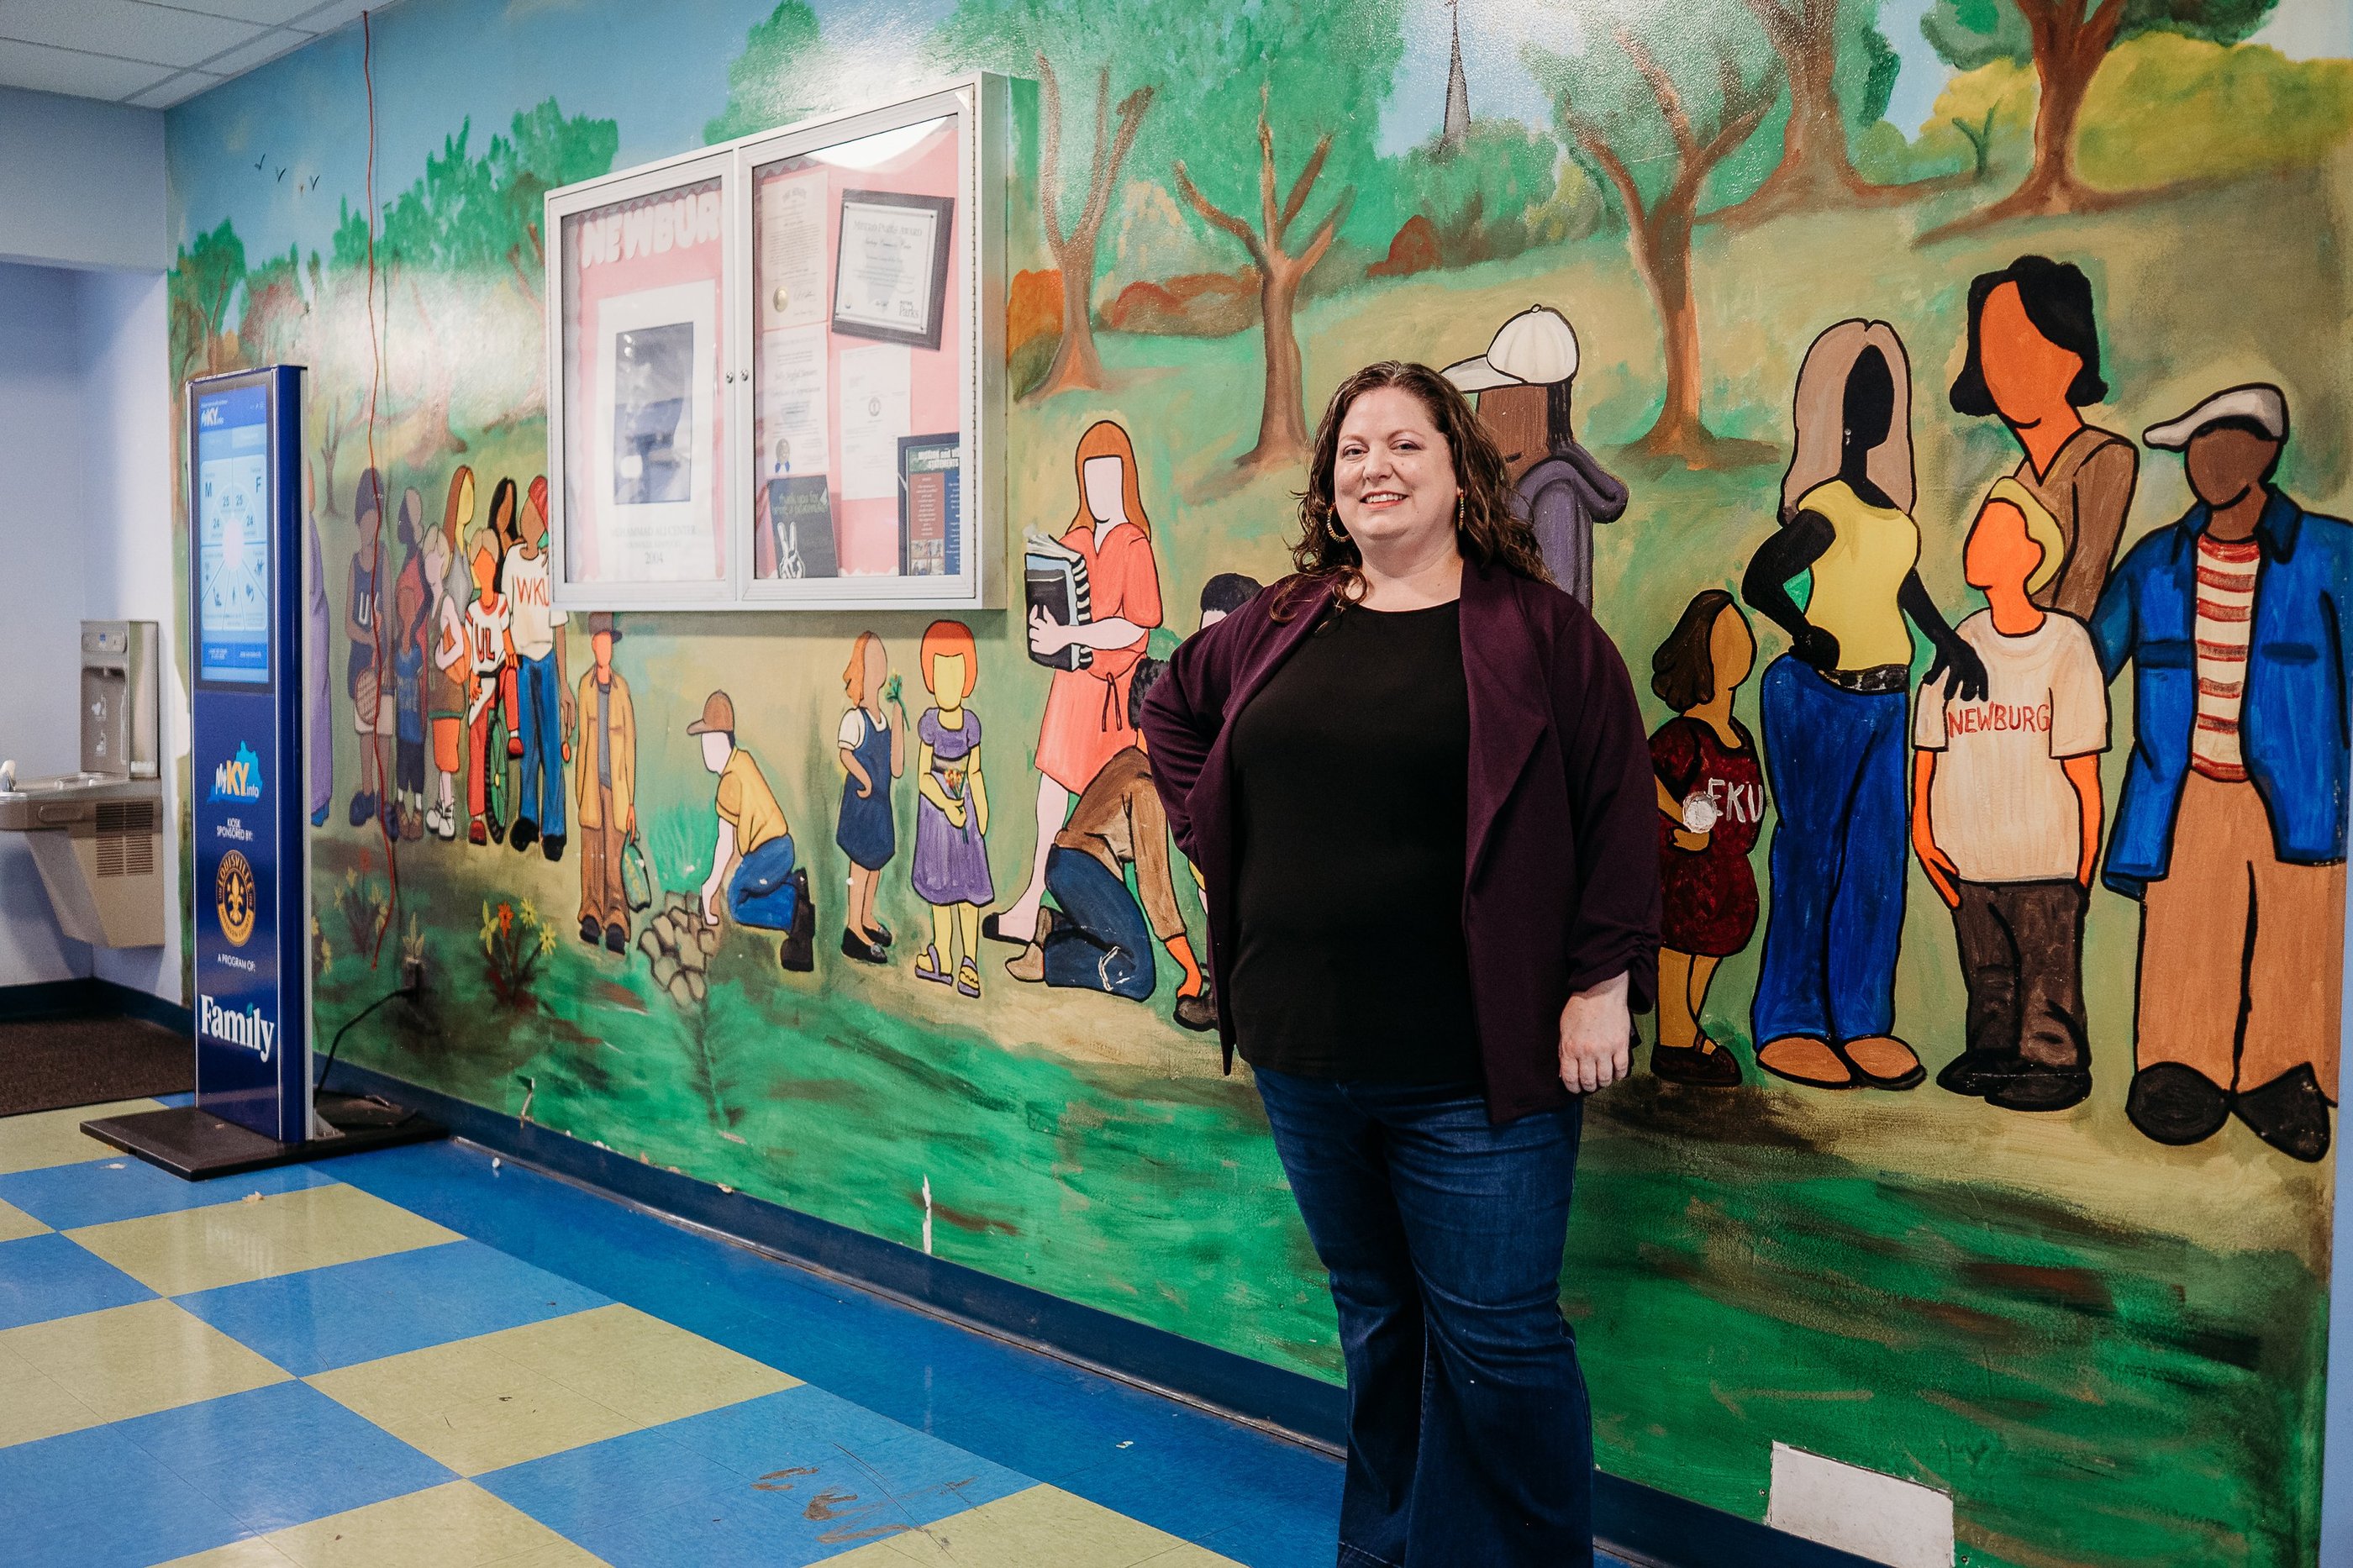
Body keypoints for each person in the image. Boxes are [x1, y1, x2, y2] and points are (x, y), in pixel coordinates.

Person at [1140, 360, 1657, 1568]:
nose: (1375, 467)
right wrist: (1213, 828)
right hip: (1307, 1056)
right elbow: (1171, 708)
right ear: (1331, 482)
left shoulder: (1539, 633)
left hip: (1478, 1066)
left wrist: (1600, 982)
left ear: (1460, 469)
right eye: (1354, 449)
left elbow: (1618, 807)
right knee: (1379, 1324)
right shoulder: (1282, 618)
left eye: (1405, 445)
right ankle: (1385, 1552)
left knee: (1501, 1342)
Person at [2089, 383, 2353, 1162]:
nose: (2211, 461)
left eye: (2231, 442)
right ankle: (2182, 1068)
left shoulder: (2332, 555)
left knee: (2296, 933)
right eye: (2199, 445)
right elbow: (2087, 662)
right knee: (2185, 930)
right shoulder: (2156, 563)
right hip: (2187, 783)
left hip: (2301, 790)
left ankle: (2281, 1075)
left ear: (2268, 452)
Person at [1741, 320, 1987, 1093]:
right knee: (1812, 856)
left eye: (1883, 397)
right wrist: (1804, 631)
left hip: (1886, 700)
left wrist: (1949, 643)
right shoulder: (1827, 507)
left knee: (1878, 860)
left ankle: (1861, 1020)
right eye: (1860, 395)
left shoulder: (1893, 514)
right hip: (1817, 697)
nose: (1872, 414)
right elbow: (1760, 580)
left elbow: (1904, 588)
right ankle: (1789, 1021)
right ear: (1829, 409)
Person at [1912, 485, 2108, 1113]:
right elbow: (1928, 743)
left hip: (2045, 861)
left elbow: (2084, 770)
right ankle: (1993, 1053)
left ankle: (2054, 1064)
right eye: (1976, 533)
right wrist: (1922, 831)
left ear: (2031, 555)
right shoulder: (1958, 643)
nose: (1976, 545)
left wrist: (2082, 868)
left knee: (2047, 977)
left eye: (1994, 535)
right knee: (1988, 974)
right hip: (1970, 859)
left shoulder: (2066, 646)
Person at [992, 420, 1165, 946]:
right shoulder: (1073, 541)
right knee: (1050, 796)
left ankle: (1120, 922)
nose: (1100, 489)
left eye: (1110, 477)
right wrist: (1046, 632)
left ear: (1126, 481)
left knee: (1112, 811)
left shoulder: (1134, 545)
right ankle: (1029, 904)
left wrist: (1072, 629)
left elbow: (1136, 623)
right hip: (1073, 686)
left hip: (1115, 695)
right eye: (1091, 478)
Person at [1005, 657, 1211, 1030]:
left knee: (1124, 948)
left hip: (1069, 866)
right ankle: (1049, 961)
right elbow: (1155, 887)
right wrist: (1189, 970)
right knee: (1138, 975)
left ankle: (1051, 925)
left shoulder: (1128, 760)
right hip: (1082, 871)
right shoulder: (1147, 785)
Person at [1949, 255, 2137, 620]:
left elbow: (2080, 597)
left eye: (2028, 344)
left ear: (2073, 355)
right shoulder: (2017, 481)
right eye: (1996, 347)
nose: (2009, 368)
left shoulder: (2105, 458)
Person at [1645, 591, 1762, 1087]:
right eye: (1722, 636)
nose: (1739, 643)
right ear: (1700, 652)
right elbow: (1640, 778)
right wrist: (1681, 825)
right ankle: (1674, 1038)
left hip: (1728, 880)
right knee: (1679, 950)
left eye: (1740, 632)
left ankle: (1685, 1034)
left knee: (1710, 952)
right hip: (1687, 879)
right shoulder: (1682, 737)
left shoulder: (1740, 735)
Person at [1443, 303, 1629, 606]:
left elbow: (1555, 600)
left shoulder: (1555, 494)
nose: (1483, 418)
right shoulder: (1508, 483)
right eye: (1483, 401)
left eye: (1497, 401)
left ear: (1535, 408)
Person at [691, 691, 815, 973]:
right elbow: (739, 840)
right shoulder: (742, 761)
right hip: (781, 849)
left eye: (708, 741)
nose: (704, 750)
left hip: (769, 853)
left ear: (721, 740)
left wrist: (710, 885)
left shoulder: (730, 781)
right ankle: (795, 885)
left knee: (737, 903)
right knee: (740, 884)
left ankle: (794, 910)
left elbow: (726, 842)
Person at [912, 619, 993, 998]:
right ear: (929, 677)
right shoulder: (929, 724)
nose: (948, 684)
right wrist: (946, 804)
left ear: (969, 678)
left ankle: (969, 964)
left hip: (966, 820)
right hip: (936, 817)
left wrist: (982, 805)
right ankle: (943, 957)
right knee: (940, 892)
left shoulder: (971, 725)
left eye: (955, 673)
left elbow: (974, 770)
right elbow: (923, 777)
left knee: (969, 892)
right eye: (940, 674)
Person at [506, 476, 571, 862]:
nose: (529, 520)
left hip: (546, 663)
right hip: (522, 661)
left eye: (536, 514)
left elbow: (559, 628)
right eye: (527, 512)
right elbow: (508, 613)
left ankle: (555, 826)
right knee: (527, 745)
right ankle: (528, 817)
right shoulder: (513, 561)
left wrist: (563, 685)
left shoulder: (552, 566)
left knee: (551, 747)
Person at [836, 631, 907, 964]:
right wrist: (864, 778)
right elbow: (846, 754)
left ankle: (866, 917)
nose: (879, 665)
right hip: (862, 806)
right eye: (872, 659)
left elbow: (896, 767)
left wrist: (898, 719)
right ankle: (853, 929)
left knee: (874, 865)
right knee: (860, 867)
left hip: (880, 807)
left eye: (882, 658)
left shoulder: (884, 718)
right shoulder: (855, 719)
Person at [573, 612, 636, 955]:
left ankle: (616, 918)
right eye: (599, 641)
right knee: (591, 854)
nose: (604, 648)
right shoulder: (584, 686)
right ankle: (591, 913)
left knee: (614, 855)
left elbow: (630, 747)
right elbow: (583, 740)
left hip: (617, 787)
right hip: (590, 786)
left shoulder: (622, 690)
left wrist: (630, 804)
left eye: (609, 641)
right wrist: (581, 792)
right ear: (592, 644)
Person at [424, 469, 474, 842]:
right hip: (439, 695)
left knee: (446, 758)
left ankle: (449, 812)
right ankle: (442, 807)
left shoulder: (445, 607)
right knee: (442, 757)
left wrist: (442, 660)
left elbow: (455, 642)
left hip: (449, 691)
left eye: (433, 557)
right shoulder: (436, 603)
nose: (430, 564)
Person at [345, 467, 391, 829]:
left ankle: (387, 798)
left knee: (384, 730)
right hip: (362, 662)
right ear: (359, 521)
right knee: (364, 731)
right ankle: (367, 792)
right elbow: (348, 623)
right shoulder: (354, 565)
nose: (370, 528)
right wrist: (367, 639)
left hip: (382, 661)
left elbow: (388, 610)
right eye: (366, 520)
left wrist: (384, 652)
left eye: (376, 520)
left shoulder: (384, 559)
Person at [462, 529, 514, 846]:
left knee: (512, 679)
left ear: (495, 567)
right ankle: (477, 817)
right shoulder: (471, 611)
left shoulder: (502, 605)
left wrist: (510, 651)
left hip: (500, 672)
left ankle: (516, 735)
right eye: (478, 566)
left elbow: (507, 637)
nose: (484, 570)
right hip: (480, 677)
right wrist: (470, 678)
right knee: (476, 740)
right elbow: (469, 649)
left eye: (488, 564)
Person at [303, 460, 334, 829]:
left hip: (315, 632)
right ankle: (314, 797)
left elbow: (312, 592)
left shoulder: (308, 529)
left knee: (316, 711)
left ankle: (318, 797)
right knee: (313, 711)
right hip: (312, 633)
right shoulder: (304, 529)